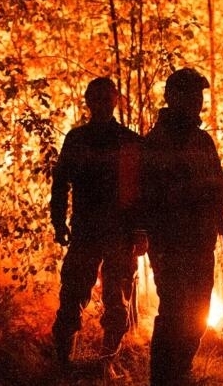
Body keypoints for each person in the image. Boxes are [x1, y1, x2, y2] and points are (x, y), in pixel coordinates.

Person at [135, 68, 223, 385]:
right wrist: (200, 191)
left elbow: (221, 182)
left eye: (198, 95)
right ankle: (164, 378)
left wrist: (220, 189)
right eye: (190, 94)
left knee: (199, 311)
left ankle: (181, 371)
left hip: (202, 241)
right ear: (172, 97)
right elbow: (153, 196)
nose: (196, 101)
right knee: (175, 312)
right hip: (171, 244)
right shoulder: (156, 143)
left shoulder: (203, 141)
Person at [50, 77, 144, 366]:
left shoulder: (129, 141)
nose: (102, 104)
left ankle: (106, 363)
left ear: (115, 100)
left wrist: (141, 231)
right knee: (73, 295)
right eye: (97, 98)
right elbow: (60, 182)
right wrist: (58, 221)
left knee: (116, 301)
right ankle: (63, 362)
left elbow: (140, 190)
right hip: (87, 230)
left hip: (119, 233)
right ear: (88, 102)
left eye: (107, 98)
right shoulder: (78, 139)